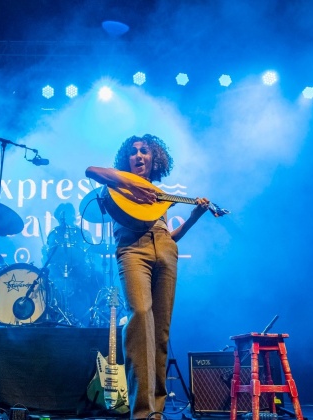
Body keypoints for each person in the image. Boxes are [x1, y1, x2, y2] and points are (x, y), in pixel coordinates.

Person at [85, 134, 210, 419]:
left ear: (155, 160)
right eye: (133, 152)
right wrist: (127, 181)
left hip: (165, 250)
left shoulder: (160, 197)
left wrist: (194, 217)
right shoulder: (118, 184)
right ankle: (141, 412)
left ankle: (157, 411)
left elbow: (171, 236)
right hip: (132, 250)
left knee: (161, 331)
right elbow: (91, 171)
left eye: (144, 151)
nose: (139, 156)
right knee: (141, 316)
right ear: (126, 159)